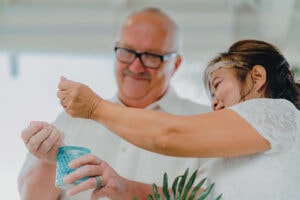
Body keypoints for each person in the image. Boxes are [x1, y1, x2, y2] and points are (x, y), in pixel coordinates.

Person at [57, 39, 300, 200]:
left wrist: (95, 108)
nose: (214, 103)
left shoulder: (280, 113)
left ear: (257, 77)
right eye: (212, 95)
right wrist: (123, 186)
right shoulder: (229, 162)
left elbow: (169, 135)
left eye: (218, 85)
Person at [18, 7, 211, 200]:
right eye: (127, 52)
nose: (136, 67)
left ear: (175, 64)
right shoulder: (72, 121)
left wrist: (129, 190)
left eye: (151, 56)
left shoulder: (206, 125)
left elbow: (217, 196)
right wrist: (48, 160)